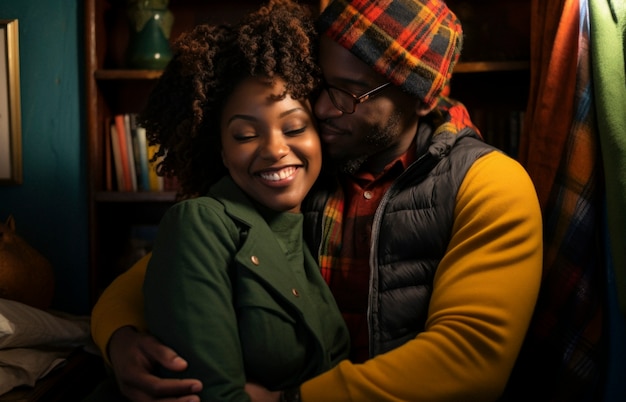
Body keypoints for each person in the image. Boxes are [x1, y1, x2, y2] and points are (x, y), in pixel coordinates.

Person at [90, 0, 544, 400]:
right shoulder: (300, 170)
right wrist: (121, 340)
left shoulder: (488, 184)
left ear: (422, 99)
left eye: (350, 94)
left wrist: (295, 400)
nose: (323, 109)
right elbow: (161, 273)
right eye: (321, 85)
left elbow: (469, 361)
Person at [87, 1, 350, 401]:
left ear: (319, 134)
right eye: (245, 135)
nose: (275, 149)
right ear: (222, 152)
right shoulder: (201, 222)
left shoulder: (317, 225)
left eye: (294, 127)